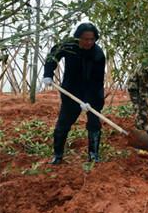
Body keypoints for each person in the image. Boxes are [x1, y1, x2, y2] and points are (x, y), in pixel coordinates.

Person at [43, 22, 105, 164]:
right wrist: (48, 74)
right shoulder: (68, 45)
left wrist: (89, 100)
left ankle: (93, 155)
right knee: (64, 123)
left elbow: (97, 81)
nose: (89, 42)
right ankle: (58, 156)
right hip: (71, 90)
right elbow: (53, 56)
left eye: (92, 39)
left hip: (93, 92)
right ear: (78, 38)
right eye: (85, 39)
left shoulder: (98, 54)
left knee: (94, 123)